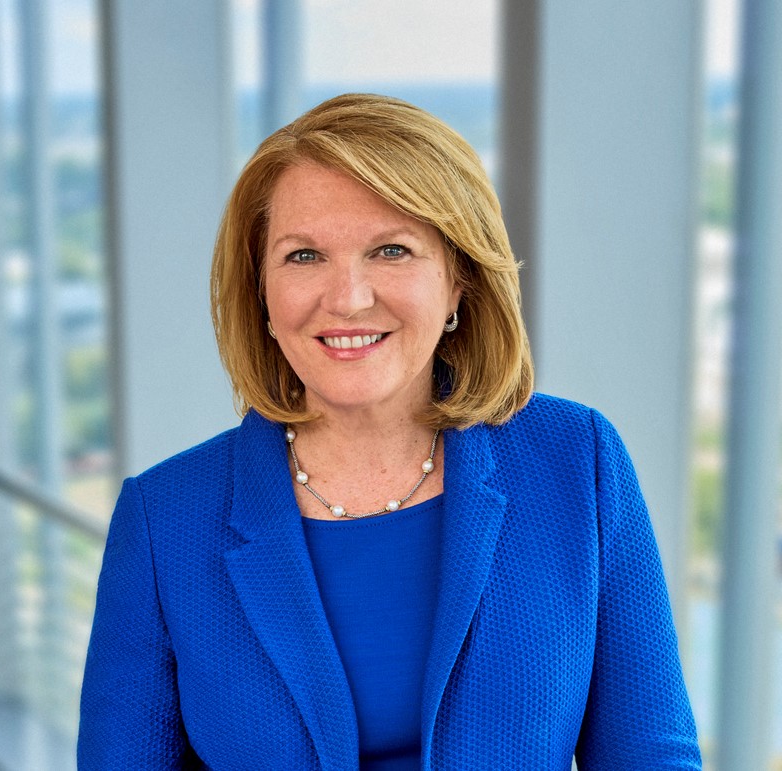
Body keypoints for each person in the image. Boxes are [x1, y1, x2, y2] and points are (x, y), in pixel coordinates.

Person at [78, 93, 702, 769]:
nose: (347, 298)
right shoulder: (164, 519)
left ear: (460, 279)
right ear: (261, 290)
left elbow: (651, 753)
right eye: (304, 256)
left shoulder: (578, 461)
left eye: (392, 250)